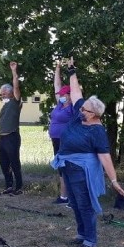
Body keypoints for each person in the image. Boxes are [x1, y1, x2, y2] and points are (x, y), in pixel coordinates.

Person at [51, 59, 124, 247]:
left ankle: (90, 241)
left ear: (94, 114)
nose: (80, 110)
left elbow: (105, 157)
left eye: (85, 109)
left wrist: (114, 180)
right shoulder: (80, 115)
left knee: (84, 204)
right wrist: (72, 70)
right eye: (82, 108)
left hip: (81, 170)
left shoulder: (97, 131)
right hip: (67, 165)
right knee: (74, 203)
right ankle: (81, 235)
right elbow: (76, 93)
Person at [49, 61, 76, 204]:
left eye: (64, 94)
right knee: (60, 167)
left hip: (65, 140)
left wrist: (71, 70)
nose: (61, 96)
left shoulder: (72, 108)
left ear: (70, 95)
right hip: (56, 140)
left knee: (67, 168)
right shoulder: (60, 104)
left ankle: (71, 197)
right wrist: (57, 68)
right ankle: (63, 197)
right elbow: (57, 86)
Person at [0, 61, 24, 194]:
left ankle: (18, 187)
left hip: (12, 136)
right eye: (1, 93)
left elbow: (16, 86)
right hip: (2, 138)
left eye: (4, 93)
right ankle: (8, 185)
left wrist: (14, 71)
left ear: (11, 93)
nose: (2, 95)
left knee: (14, 163)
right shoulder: (5, 105)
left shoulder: (15, 102)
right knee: (4, 163)